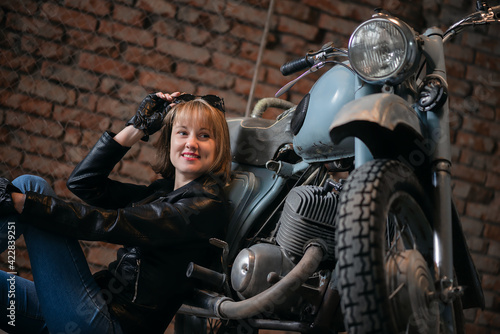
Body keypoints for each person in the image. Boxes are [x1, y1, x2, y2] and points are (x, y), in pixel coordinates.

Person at [0, 91, 232, 334]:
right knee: (30, 188)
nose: (191, 143)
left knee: (29, 189)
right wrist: (138, 126)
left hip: (107, 326)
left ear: (219, 147)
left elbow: (112, 223)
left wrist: (20, 202)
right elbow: (83, 183)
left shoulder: (205, 206)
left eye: (204, 136)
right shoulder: (163, 192)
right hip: (92, 310)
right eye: (182, 132)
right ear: (170, 141)